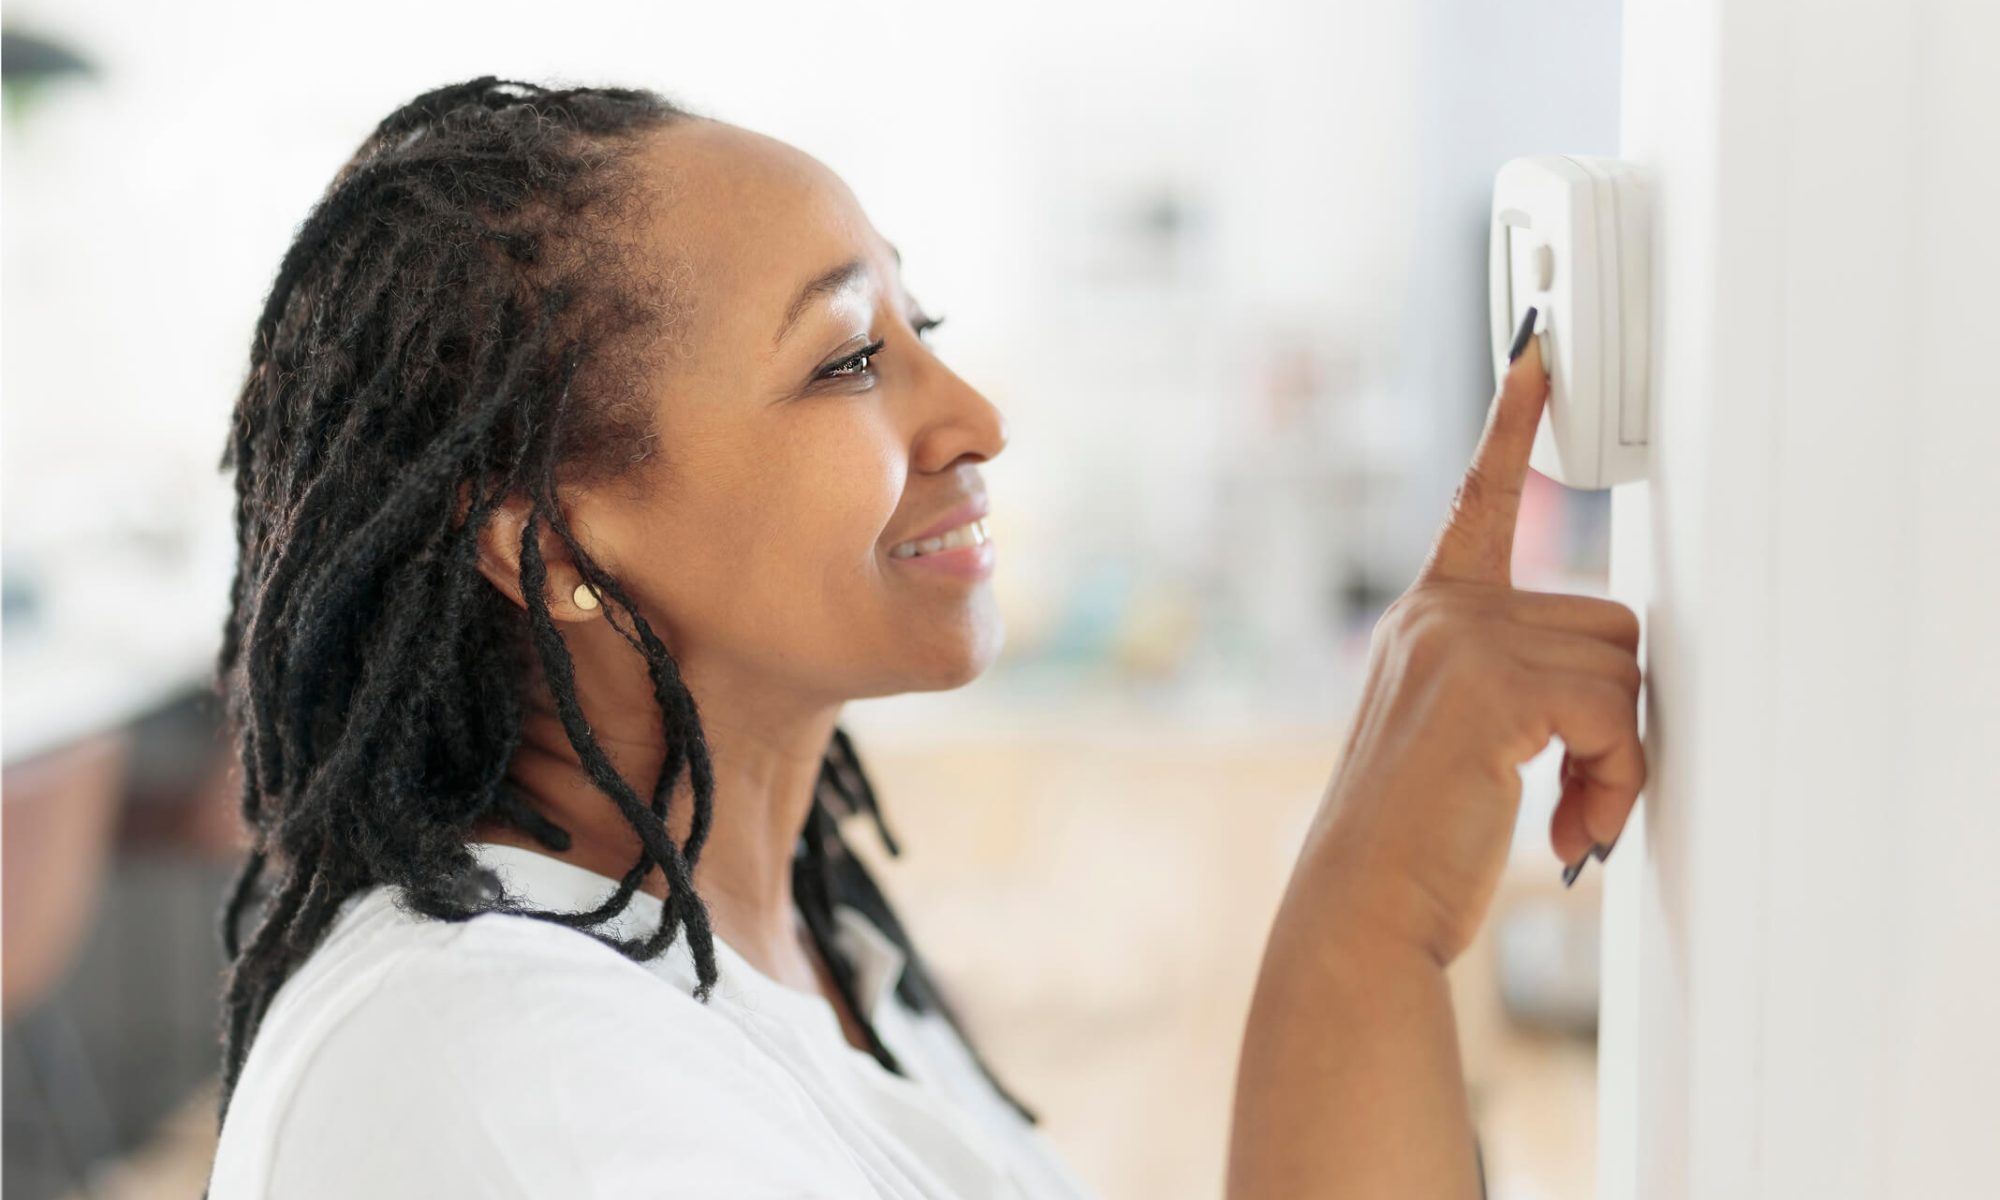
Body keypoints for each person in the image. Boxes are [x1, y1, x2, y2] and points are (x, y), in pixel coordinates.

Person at [203, 77, 1641, 1199]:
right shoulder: (505, 1080)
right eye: (846, 362)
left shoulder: (796, 962)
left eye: (923, 322)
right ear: (558, 545)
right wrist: (1367, 911)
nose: (975, 418)